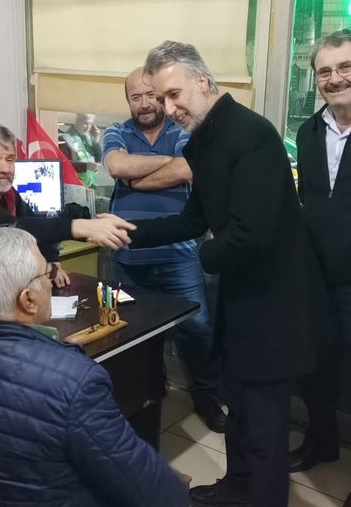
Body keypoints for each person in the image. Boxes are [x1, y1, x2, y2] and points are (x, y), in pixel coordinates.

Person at [127, 40, 327, 507]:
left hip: (274, 303)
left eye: (174, 94)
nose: (169, 109)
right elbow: (195, 219)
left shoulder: (251, 133)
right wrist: (126, 231)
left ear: (203, 81)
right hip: (241, 297)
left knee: (265, 422)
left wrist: (206, 254)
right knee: (238, 405)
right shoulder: (203, 140)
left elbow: (249, 235)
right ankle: (238, 486)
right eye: (161, 98)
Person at [0, 227, 189, 507]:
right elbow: (154, 491)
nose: (51, 282)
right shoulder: (73, 382)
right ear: (28, 300)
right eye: (46, 273)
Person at [103, 66, 225, 433]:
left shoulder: (183, 129)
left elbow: (188, 170)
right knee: (133, 332)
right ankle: (147, 393)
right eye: (135, 97)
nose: (144, 104)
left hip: (179, 253)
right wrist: (166, 164)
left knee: (198, 329)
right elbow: (116, 165)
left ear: (161, 96)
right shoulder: (116, 131)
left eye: (150, 95)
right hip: (128, 254)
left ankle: (206, 397)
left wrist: (136, 179)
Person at [0, 123, 135, 287]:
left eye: (10, 159)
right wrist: (81, 227)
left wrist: (52, 261)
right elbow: (11, 229)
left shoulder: (7, 193)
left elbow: (34, 220)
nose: (4, 168)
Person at [289, 29, 351, 491]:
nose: (335, 78)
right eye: (324, 71)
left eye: (345, 67)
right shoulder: (307, 133)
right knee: (315, 365)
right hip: (315, 277)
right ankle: (322, 441)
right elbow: (309, 203)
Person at [61, 112, 102, 187]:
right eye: (85, 123)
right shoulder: (66, 138)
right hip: (75, 186)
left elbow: (97, 161)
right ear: (78, 121)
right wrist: (85, 166)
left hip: (89, 186)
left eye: (90, 124)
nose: (88, 127)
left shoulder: (88, 139)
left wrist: (96, 142)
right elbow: (63, 164)